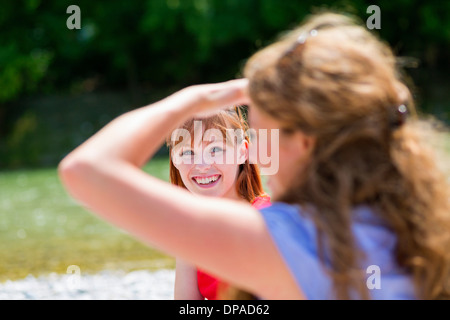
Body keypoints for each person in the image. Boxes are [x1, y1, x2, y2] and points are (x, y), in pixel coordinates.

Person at [58, 12, 450, 299]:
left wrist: (196, 99)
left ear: (306, 141)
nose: (257, 149)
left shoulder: (292, 241)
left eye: (261, 131)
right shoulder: (427, 224)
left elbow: (86, 169)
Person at [167, 108, 271, 300]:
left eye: (215, 150)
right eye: (188, 152)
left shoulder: (265, 220)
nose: (202, 164)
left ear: (242, 152)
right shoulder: (191, 229)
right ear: (174, 159)